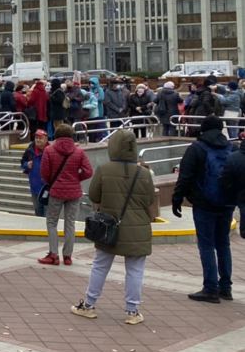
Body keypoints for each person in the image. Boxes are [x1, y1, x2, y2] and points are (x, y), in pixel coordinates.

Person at [71, 129, 157, 324]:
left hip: (109, 227)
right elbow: (150, 199)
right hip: (138, 229)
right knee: (135, 270)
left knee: (100, 266)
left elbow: (94, 195)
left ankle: (89, 305)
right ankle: (133, 312)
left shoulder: (104, 169)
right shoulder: (144, 173)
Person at [173, 115, 235, 303]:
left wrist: (177, 199)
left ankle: (210, 288)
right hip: (227, 204)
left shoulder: (196, 149)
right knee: (223, 244)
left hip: (204, 204)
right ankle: (226, 287)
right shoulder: (231, 147)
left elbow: (185, 177)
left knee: (206, 245)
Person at [37, 123, 94, 266]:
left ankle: (53, 254)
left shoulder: (49, 151)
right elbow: (88, 171)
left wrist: (53, 181)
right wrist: (76, 178)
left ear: (56, 136)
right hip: (74, 192)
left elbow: (44, 173)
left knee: (51, 222)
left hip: (56, 191)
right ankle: (67, 256)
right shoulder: (79, 152)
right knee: (70, 223)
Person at [20, 129, 50, 217]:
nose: (37, 140)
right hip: (34, 186)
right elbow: (22, 162)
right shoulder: (30, 150)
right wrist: (26, 165)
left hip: (47, 187)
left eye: (40, 138)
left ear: (46, 139)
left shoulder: (51, 150)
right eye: (36, 138)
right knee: (38, 211)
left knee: (48, 212)